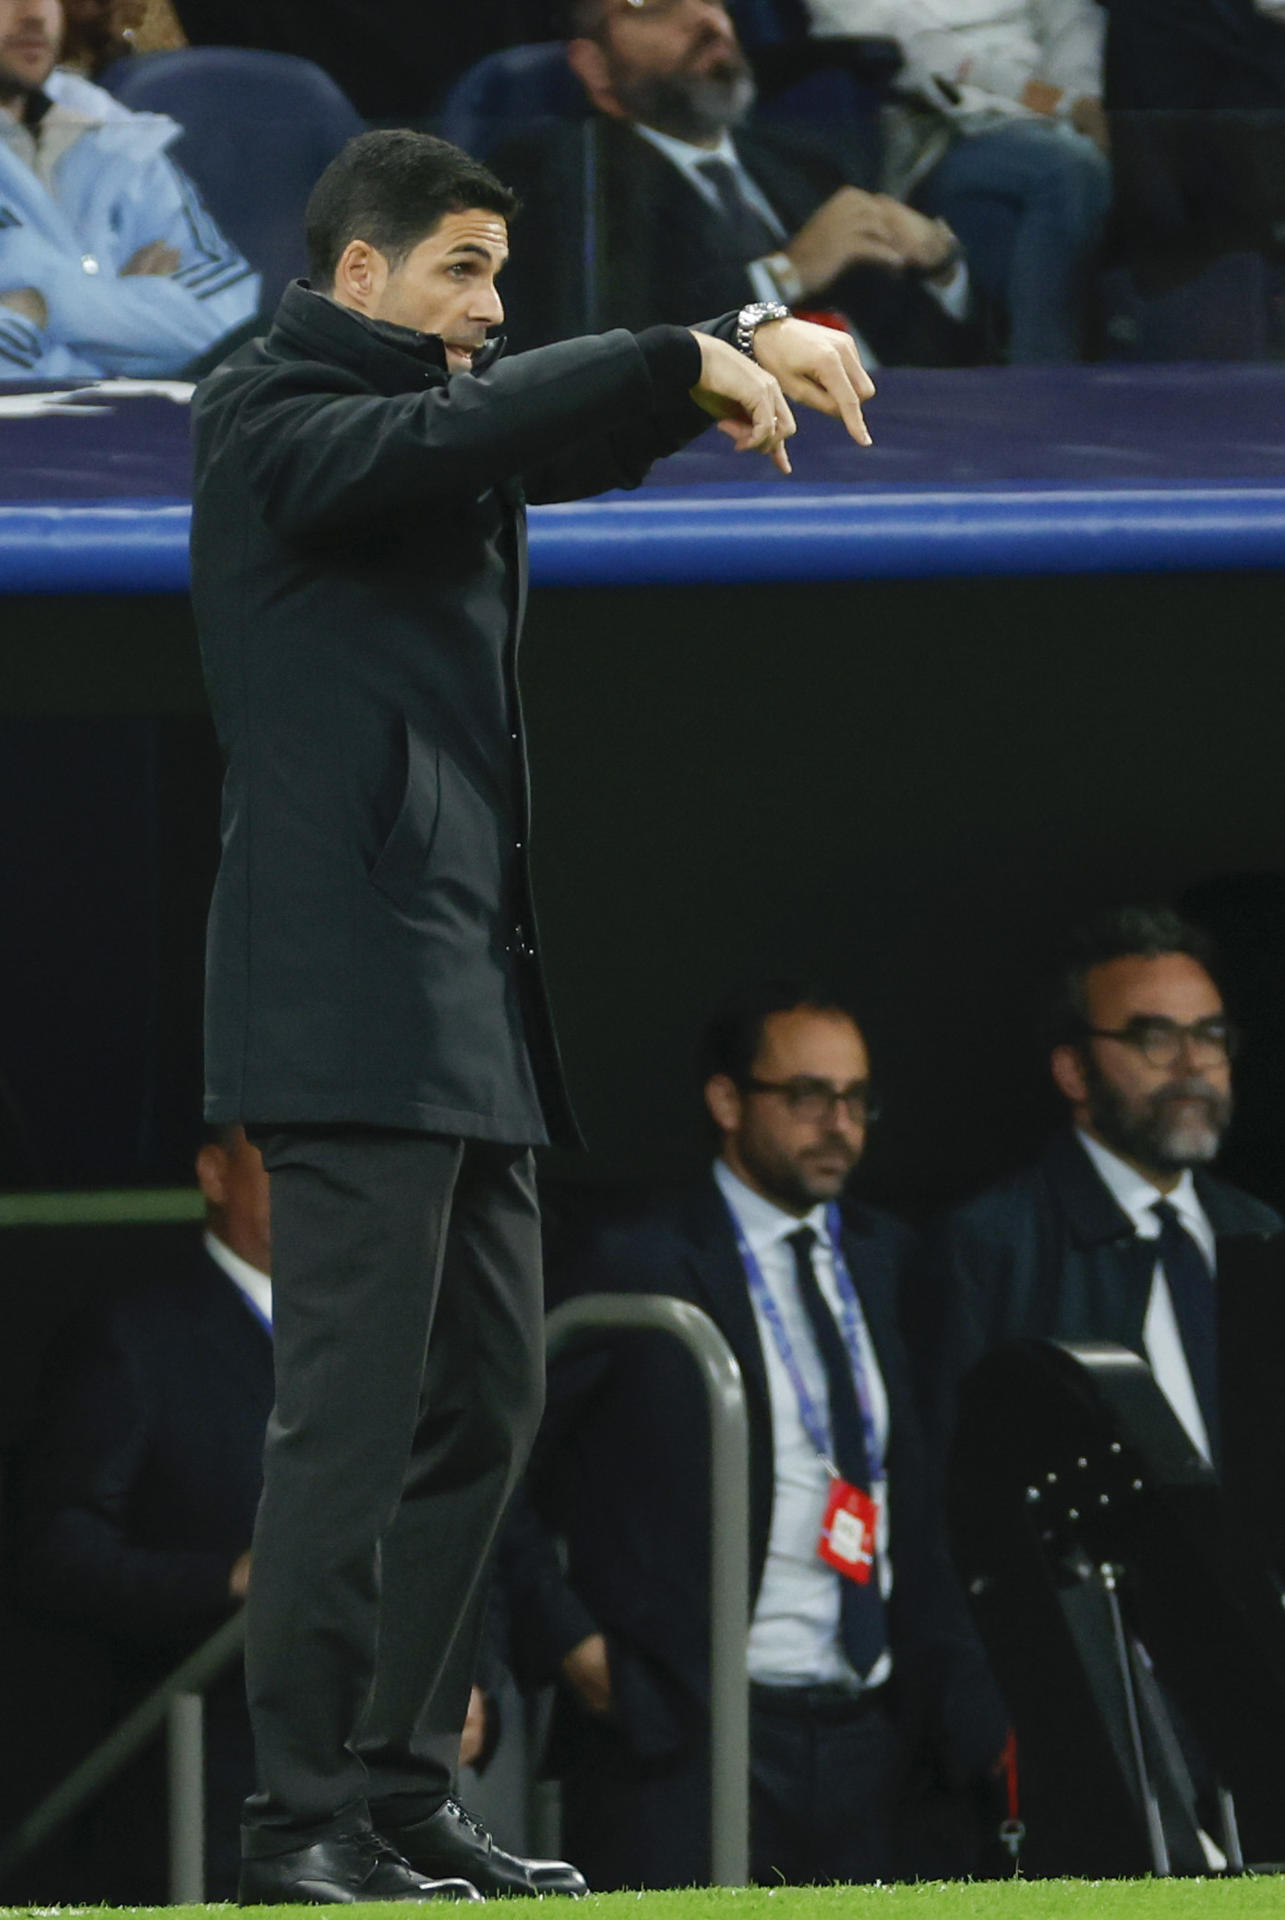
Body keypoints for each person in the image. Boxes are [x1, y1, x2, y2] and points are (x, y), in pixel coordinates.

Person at [190, 125, 877, 1904]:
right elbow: (471, 431)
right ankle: (294, 1827)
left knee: (487, 1403)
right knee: (349, 1418)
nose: (492, 309)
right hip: (344, 993)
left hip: (461, 993)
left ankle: (402, 1790)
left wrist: (739, 334)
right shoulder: (271, 413)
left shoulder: (431, 425)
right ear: (360, 274)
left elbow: (534, 434)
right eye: (465, 275)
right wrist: (677, 351)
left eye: (500, 275)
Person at [499, 984, 1005, 1889]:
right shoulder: (640, 1257)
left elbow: (927, 1492)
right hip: (684, 1724)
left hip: (867, 1730)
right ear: (728, 1101)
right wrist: (571, 1645)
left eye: (856, 1099)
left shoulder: (892, 1259)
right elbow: (496, 1464)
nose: (839, 1124)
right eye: (808, 1095)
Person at [921, 905, 1282, 1469]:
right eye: (1155, 1038)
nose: (1192, 1065)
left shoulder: (1260, 1233)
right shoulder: (989, 1247)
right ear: (1074, 1071)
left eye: (1210, 1035)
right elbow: (955, 1485)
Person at [14, 1125, 274, 1900]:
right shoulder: (135, 1338)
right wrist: (225, 1581)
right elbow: (54, 1550)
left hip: (380, 1799)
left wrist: (474, 1688)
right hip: (210, 1806)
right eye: (286, 1162)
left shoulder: (379, 1342)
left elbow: (458, 1530)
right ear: (216, 1175)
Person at [495, 0, 981, 366]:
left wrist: (942, 268)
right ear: (593, 66)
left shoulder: (806, 163)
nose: (704, 19)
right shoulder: (565, 180)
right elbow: (598, 346)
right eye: (655, 7)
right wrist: (784, 276)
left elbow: (934, 362)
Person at [801, 0, 1113, 360]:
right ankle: (1041, 382)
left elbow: (1072, 20)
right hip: (941, 127)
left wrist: (1083, 99)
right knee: (1068, 170)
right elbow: (923, 53)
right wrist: (1061, 104)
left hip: (1057, 120)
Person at [0, 0, 259, 378]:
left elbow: (225, 319)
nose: (35, 14)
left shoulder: (117, 133)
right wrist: (136, 322)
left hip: (146, 429)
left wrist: (44, 304)